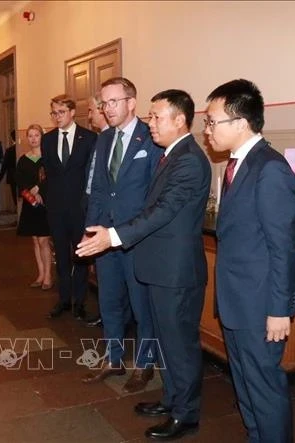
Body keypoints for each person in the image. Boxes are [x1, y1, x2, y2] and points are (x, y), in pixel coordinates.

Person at [77, 89, 211, 440]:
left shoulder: (189, 160)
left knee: (180, 346)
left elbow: (162, 211)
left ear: (179, 120)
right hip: (161, 265)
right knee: (168, 341)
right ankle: (171, 400)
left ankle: (187, 414)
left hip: (176, 270)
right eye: (150, 116)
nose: (151, 123)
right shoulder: (171, 154)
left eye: (157, 117)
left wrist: (115, 236)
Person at [205, 79, 295, 443]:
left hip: (262, 303)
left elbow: (282, 247)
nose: (207, 130)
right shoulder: (238, 165)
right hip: (238, 300)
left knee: (264, 388)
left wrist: (279, 310)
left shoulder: (270, 169)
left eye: (212, 121)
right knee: (245, 382)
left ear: (240, 122)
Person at [83, 77, 157, 394]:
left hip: (135, 238)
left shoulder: (150, 139)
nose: (107, 109)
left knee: (142, 306)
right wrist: (90, 234)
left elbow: (156, 194)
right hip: (104, 236)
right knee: (109, 301)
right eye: (104, 103)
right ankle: (113, 358)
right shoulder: (103, 140)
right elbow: (98, 191)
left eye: (114, 102)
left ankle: (144, 364)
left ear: (131, 102)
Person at [41, 94, 97, 320]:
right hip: (56, 208)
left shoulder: (89, 138)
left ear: (73, 112)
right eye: (54, 113)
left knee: (80, 256)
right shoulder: (48, 139)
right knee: (61, 256)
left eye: (61, 112)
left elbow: (91, 176)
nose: (57, 117)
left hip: (79, 208)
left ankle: (80, 302)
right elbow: (48, 174)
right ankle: (63, 299)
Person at [84, 92, 111, 329]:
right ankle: (108, 314)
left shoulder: (110, 139)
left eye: (92, 110)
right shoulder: (99, 139)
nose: (89, 115)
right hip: (96, 213)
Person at [16, 124, 52, 290]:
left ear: (41, 136)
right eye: (30, 135)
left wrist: (40, 191)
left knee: (44, 240)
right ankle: (40, 274)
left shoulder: (48, 157)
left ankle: (48, 276)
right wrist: (31, 196)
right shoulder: (23, 160)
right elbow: (21, 183)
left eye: (36, 135)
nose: (33, 139)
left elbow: (52, 178)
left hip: (45, 203)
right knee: (35, 241)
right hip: (31, 204)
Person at [0, 129, 17, 207]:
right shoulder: (25, 148)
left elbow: (4, 165)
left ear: (12, 138)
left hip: (12, 176)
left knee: (15, 195)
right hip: (23, 176)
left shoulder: (9, 150)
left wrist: (0, 176)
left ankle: (17, 212)